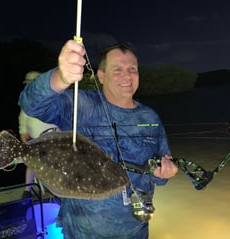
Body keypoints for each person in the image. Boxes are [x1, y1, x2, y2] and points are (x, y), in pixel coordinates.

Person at [19, 40, 178, 238]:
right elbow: (31, 105)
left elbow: (157, 175)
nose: (127, 75)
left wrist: (163, 174)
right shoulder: (81, 104)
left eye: (133, 69)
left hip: (136, 230)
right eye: (117, 69)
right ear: (101, 76)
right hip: (81, 231)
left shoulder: (151, 117)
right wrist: (59, 78)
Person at [19, 71, 58, 198]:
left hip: (51, 137)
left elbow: (59, 114)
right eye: (28, 83)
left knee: (52, 164)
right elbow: (23, 115)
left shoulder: (51, 95)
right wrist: (22, 130)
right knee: (31, 164)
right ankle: (27, 190)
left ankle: (54, 189)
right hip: (33, 138)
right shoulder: (26, 98)